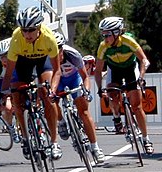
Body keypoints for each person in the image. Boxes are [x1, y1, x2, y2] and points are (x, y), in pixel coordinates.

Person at [1, 6, 62, 160]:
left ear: (39, 27)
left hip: (43, 61)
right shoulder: (16, 39)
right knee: (18, 100)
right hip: (23, 62)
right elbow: (9, 73)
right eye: (24, 30)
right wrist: (4, 92)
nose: (27, 34)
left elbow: (57, 70)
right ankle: (26, 139)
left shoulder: (49, 38)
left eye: (30, 30)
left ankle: (54, 142)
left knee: (48, 97)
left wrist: (53, 90)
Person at [94, 16, 153, 154]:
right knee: (112, 94)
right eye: (103, 34)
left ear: (117, 33)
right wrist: (99, 88)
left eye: (107, 34)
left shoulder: (127, 41)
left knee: (137, 107)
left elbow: (144, 60)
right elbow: (97, 70)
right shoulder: (103, 46)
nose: (105, 38)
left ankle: (146, 139)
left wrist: (141, 78)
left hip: (130, 69)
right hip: (114, 70)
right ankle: (116, 117)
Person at [54, 32, 105, 163]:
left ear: (62, 49)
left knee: (84, 112)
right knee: (52, 100)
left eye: (58, 50)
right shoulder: (47, 57)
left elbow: (85, 77)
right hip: (57, 80)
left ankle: (95, 147)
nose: (56, 55)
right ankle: (61, 121)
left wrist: (86, 91)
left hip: (73, 80)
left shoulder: (73, 55)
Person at [0, 38, 20, 143]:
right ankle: (11, 127)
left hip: (18, 78)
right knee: (7, 108)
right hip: (4, 82)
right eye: (1, 57)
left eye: (6, 55)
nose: (4, 59)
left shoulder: (18, 58)